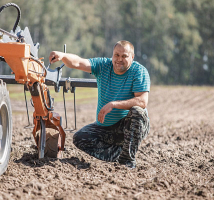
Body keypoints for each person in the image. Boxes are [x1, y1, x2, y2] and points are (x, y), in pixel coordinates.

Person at [49, 40, 150, 168]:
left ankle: (127, 161)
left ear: (132, 57)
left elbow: (142, 101)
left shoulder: (139, 71)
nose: (119, 59)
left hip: (128, 126)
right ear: (112, 55)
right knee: (80, 138)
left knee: (137, 112)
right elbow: (79, 62)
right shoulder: (103, 65)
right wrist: (63, 56)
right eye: (116, 55)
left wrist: (113, 104)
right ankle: (120, 153)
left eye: (124, 56)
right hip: (106, 128)